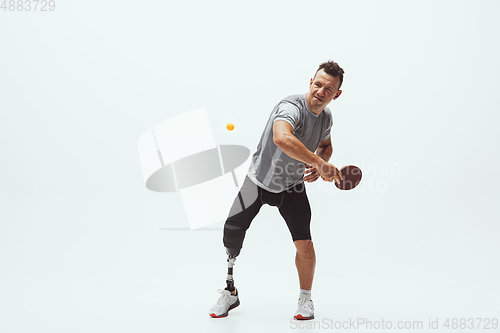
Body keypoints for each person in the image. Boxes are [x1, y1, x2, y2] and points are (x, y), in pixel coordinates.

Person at [209, 60, 344, 320]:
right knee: (232, 234)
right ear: (310, 82)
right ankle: (230, 291)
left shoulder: (326, 117)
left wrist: (322, 161)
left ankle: (305, 299)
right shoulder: (290, 107)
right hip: (257, 182)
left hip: (292, 187)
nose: (321, 92)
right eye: (318, 84)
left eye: (328, 89)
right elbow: (281, 137)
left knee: (304, 243)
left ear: (336, 94)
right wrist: (318, 162)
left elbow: (326, 144)